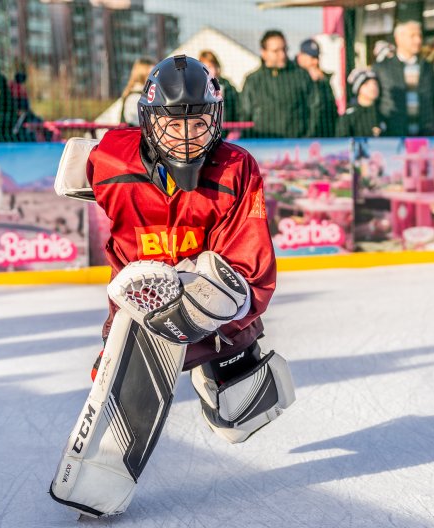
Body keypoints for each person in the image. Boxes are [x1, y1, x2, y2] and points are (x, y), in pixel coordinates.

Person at [86, 55, 293, 443]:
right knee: (114, 425)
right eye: (173, 123)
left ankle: (219, 374)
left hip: (213, 315)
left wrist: (220, 307)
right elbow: (84, 166)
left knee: (243, 415)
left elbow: (252, 261)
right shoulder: (111, 161)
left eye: (197, 123)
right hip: (137, 315)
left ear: (214, 122)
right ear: (149, 121)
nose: (186, 136)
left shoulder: (236, 169)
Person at [241, 29, 312, 138]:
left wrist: (307, 139)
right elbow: (244, 116)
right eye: (276, 51)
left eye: (284, 49)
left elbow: (314, 109)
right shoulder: (253, 81)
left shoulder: (301, 76)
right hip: (263, 146)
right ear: (263, 52)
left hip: (297, 147)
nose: (282, 55)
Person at [373, 21, 434, 136]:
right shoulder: (382, 68)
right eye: (412, 36)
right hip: (393, 138)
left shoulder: (427, 67)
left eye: (420, 36)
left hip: (424, 137)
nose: (418, 40)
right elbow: (375, 101)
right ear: (398, 38)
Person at [296, 38, 337, 138]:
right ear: (301, 56)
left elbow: (331, 108)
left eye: (317, 57)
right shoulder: (292, 76)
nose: (315, 62)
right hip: (301, 136)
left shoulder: (323, 79)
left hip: (324, 134)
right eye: (312, 57)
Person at [337, 68, 384, 137]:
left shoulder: (383, 114)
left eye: (375, 84)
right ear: (358, 88)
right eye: (366, 84)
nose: (373, 87)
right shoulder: (349, 117)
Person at [198, 50, 240, 123]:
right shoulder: (196, 89)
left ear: (217, 67)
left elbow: (238, 112)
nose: (207, 71)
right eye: (204, 68)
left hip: (226, 130)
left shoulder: (229, 88)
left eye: (210, 67)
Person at [119, 57, 154, 126]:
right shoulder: (135, 97)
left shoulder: (143, 95)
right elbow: (136, 123)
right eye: (151, 74)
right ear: (142, 75)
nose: (155, 77)